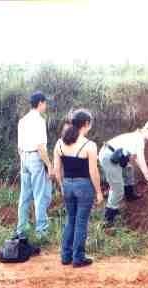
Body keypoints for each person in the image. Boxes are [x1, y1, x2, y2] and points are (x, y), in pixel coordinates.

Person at [53, 109, 104, 267]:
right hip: (83, 187)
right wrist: (99, 192)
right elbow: (93, 171)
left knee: (70, 220)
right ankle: (78, 258)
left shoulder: (60, 143)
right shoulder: (90, 145)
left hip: (67, 184)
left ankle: (65, 256)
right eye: (90, 123)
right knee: (81, 222)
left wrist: (62, 186)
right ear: (86, 124)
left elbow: (56, 170)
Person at [99, 121, 148, 227]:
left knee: (128, 169)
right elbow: (141, 159)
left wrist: (146, 172)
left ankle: (130, 195)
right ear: (146, 129)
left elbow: (136, 158)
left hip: (116, 154)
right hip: (109, 156)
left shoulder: (137, 137)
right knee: (117, 189)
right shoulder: (139, 139)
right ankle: (108, 219)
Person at [16, 91, 54, 240]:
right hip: (35, 158)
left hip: (24, 158)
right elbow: (40, 147)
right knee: (40, 195)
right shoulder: (39, 120)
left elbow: (19, 147)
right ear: (40, 103)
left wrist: (24, 161)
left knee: (24, 196)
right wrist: (49, 165)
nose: (46, 106)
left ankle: (21, 230)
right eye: (45, 103)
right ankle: (41, 232)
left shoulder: (23, 120)